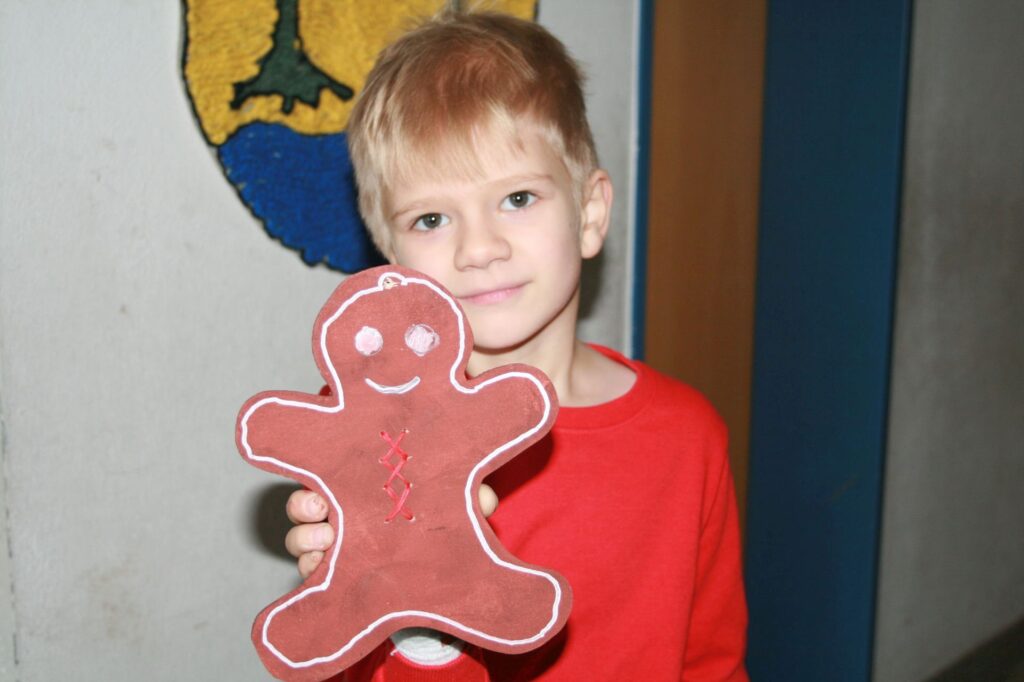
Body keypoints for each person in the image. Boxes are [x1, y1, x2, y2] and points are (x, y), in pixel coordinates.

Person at [284, 10, 747, 681]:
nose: (479, 249)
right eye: (432, 219)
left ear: (589, 215)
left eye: (519, 198)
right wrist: (412, 621)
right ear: (390, 257)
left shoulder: (688, 437)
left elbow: (713, 663)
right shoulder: (374, 439)